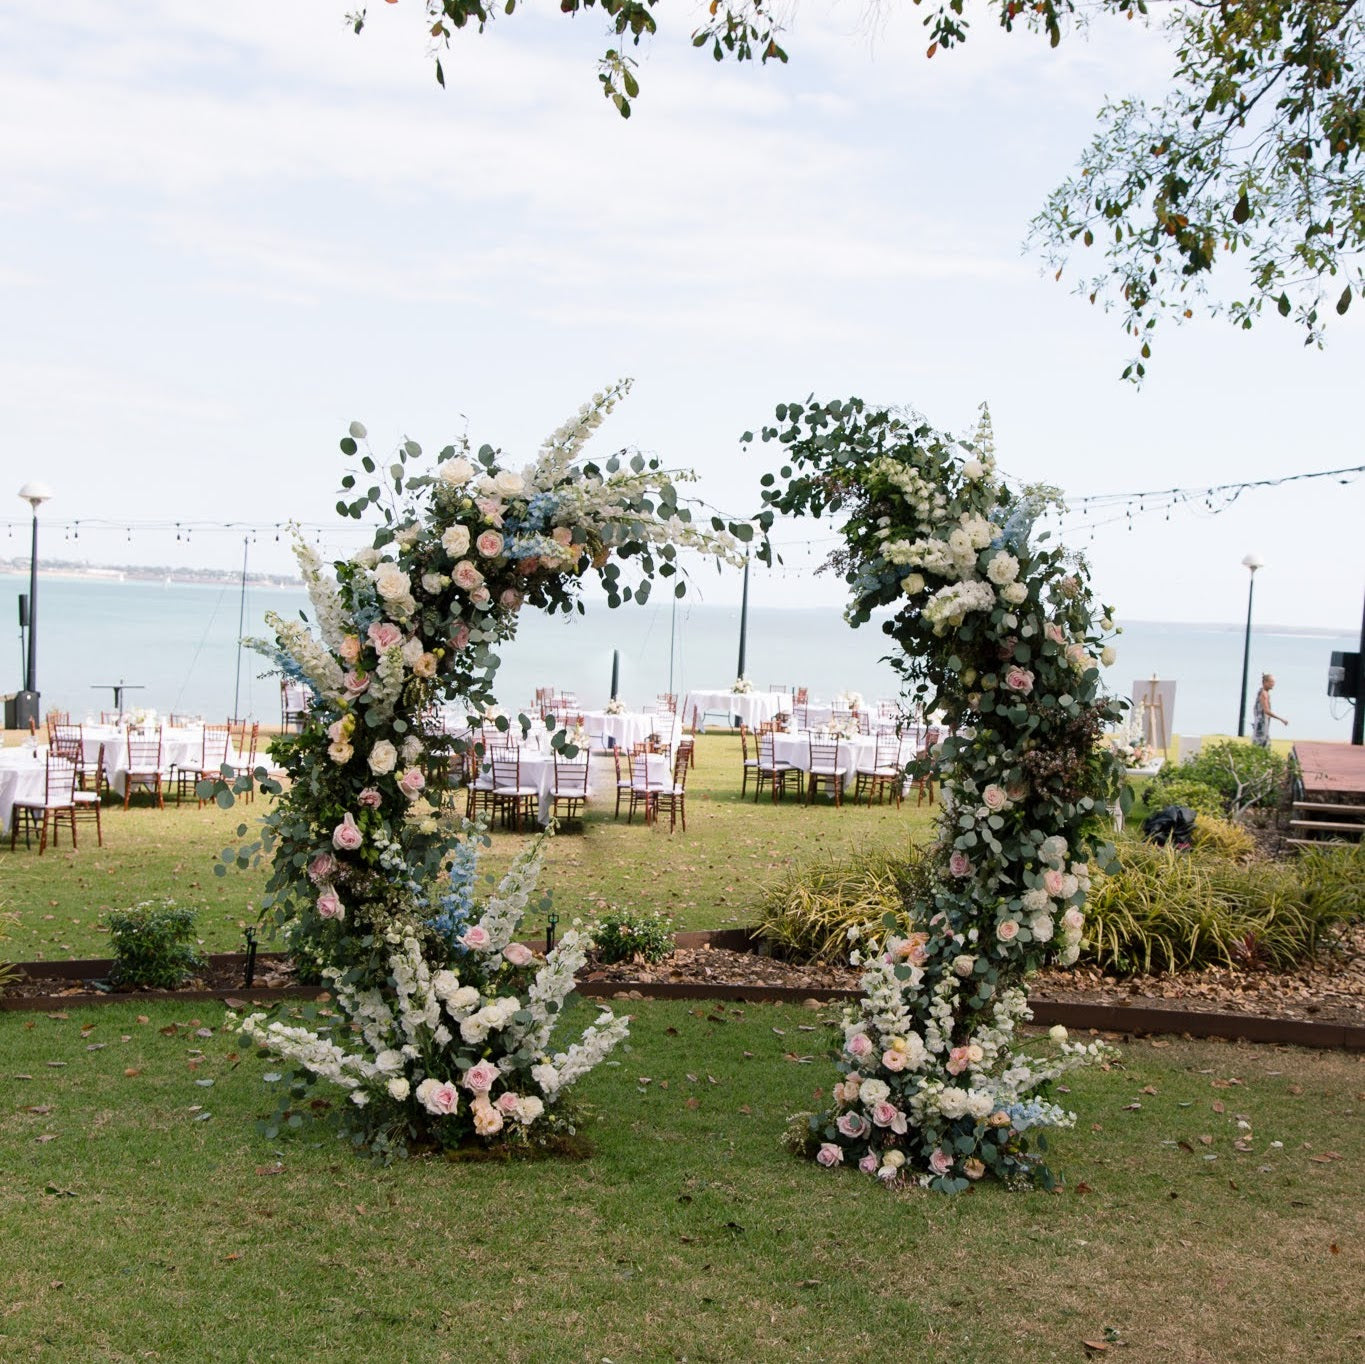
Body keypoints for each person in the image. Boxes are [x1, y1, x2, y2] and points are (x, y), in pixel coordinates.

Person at [1252, 672, 1287, 748]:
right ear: (1265, 682)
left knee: (1266, 744)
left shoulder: (1263, 693)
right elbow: (1266, 710)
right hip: (1261, 725)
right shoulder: (1263, 694)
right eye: (1271, 682)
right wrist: (1281, 719)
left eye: (1273, 682)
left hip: (1263, 723)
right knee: (1260, 745)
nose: (1273, 684)